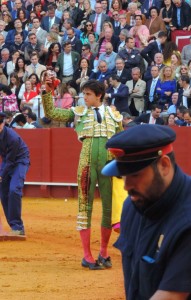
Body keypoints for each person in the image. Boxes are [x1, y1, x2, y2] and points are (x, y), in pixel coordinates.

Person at [101, 124, 191, 299]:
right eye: (123, 176)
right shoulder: (131, 207)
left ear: (164, 166)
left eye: (135, 175)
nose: (127, 186)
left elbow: (171, 296)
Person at [42, 78, 123, 270]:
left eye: (88, 94)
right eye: (84, 93)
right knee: (84, 207)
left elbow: (121, 141)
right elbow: (52, 112)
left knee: (108, 209)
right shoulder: (79, 112)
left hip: (108, 164)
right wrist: (47, 93)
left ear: (99, 96)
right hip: (86, 163)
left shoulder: (114, 114)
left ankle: (103, 252)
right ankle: (87, 255)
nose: (84, 97)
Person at [0, 112, 30, 238]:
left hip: (20, 161)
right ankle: (13, 226)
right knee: (3, 192)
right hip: (8, 161)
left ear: (3, 124)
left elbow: (11, 161)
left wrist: (1, 175)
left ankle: (18, 227)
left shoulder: (12, 137)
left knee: (14, 190)